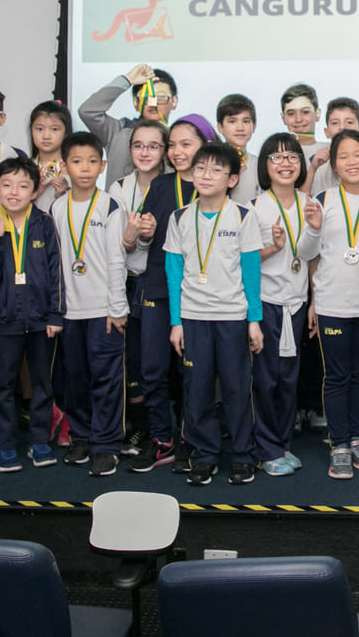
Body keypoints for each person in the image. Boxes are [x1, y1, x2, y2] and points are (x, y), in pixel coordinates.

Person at [165, 141, 266, 486]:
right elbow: (173, 273)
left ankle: (241, 454)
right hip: (193, 318)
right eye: (201, 169)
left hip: (233, 317)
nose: (207, 175)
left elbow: (251, 271)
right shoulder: (178, 217)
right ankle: (205, 453)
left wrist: (254, 320)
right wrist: (176, 322)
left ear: (233, 179)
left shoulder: (242, 216)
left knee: (238, 388)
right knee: (198, 389)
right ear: (191, 174)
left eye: (216, 170)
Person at [127, 117, 207, 474]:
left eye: (185, 144)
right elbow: (146, 240)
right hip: (157, 287)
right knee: (152, 368)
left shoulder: (210, 185)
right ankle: (162, 439)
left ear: (204, 145)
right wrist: (144, 232)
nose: (177, 152)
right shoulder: (160, 185)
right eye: (172, 145)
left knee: (193, 371)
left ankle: (192, 439)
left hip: (198, 292)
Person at [311, 129, 359, 480]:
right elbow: (307, 254)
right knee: (337, 377)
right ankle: (338, 442)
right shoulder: (322, 200)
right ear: (334, 165)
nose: (352, 161)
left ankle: (357, 437)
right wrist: (311, 230)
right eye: (344, 156)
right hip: (331, 305)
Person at [0, 156, 64, 473]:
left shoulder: (44, 221)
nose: (13, 192)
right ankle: (4, 446)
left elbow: (56, 270)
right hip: (7, 319)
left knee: (43, 383)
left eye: (22, 186)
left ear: (34, 191)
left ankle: (39, 441)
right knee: (3, 384)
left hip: (42, 317)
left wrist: (56, 315)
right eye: (6, 185)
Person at [56, 132, 130, 476]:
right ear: (65, 165)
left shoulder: (110, 206)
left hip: (104, 311)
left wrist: (117, 308)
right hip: (70, 311)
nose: (84, 169)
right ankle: (82, 436)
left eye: (91, 162)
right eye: (76, 161)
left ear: (102, 166)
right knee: (76, 378)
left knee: (107, 379)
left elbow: (117, 260)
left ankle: (107, 444)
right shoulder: (57, 207)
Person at [250, 132, 322, 476]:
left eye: (292, 156)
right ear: (265, 166)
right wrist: (274, 248)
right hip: (266, 304)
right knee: (266, 379)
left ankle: (281, 445)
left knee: (289, 378)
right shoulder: (254, 207)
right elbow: (245, 263)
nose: (285, 163)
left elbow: (308, 255)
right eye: (276, 157)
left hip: (296, 303)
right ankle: (266, 450)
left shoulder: (309, 202)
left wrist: (312, 301)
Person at [109, 118, 169, 453]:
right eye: (138, 145)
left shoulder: (173, 185)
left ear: (165, 151)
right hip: (130, 282)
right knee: (136, 359)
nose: (144, 152)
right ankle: (141, 426)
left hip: (164, 282)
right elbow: (117, 245)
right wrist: (131, 239)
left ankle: (168, 427)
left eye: (153, 146)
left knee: (164, 361)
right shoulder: (119, 188)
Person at [78, 64, 178, 186]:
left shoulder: (177, 139)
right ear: (135, 103)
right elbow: (88, 111)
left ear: (174, 101)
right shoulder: (117, 131)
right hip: (119, 203)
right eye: (145, 97)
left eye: (160, 97)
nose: (153, 103)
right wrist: (127, 80)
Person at [27, 99, 73, 212]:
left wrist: (65, 193)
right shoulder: (24, 168)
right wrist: (32, 195)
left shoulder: (75, 169)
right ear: (31, 130)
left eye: (54, 129)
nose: (46, 136)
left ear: (65, 132)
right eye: (39, 129)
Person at [216, 93, 261, 205]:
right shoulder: (211, 162)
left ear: (254, 126)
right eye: (232, 121)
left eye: (246, 121)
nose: (240, 128)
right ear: (220, 127)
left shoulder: (260, 164)